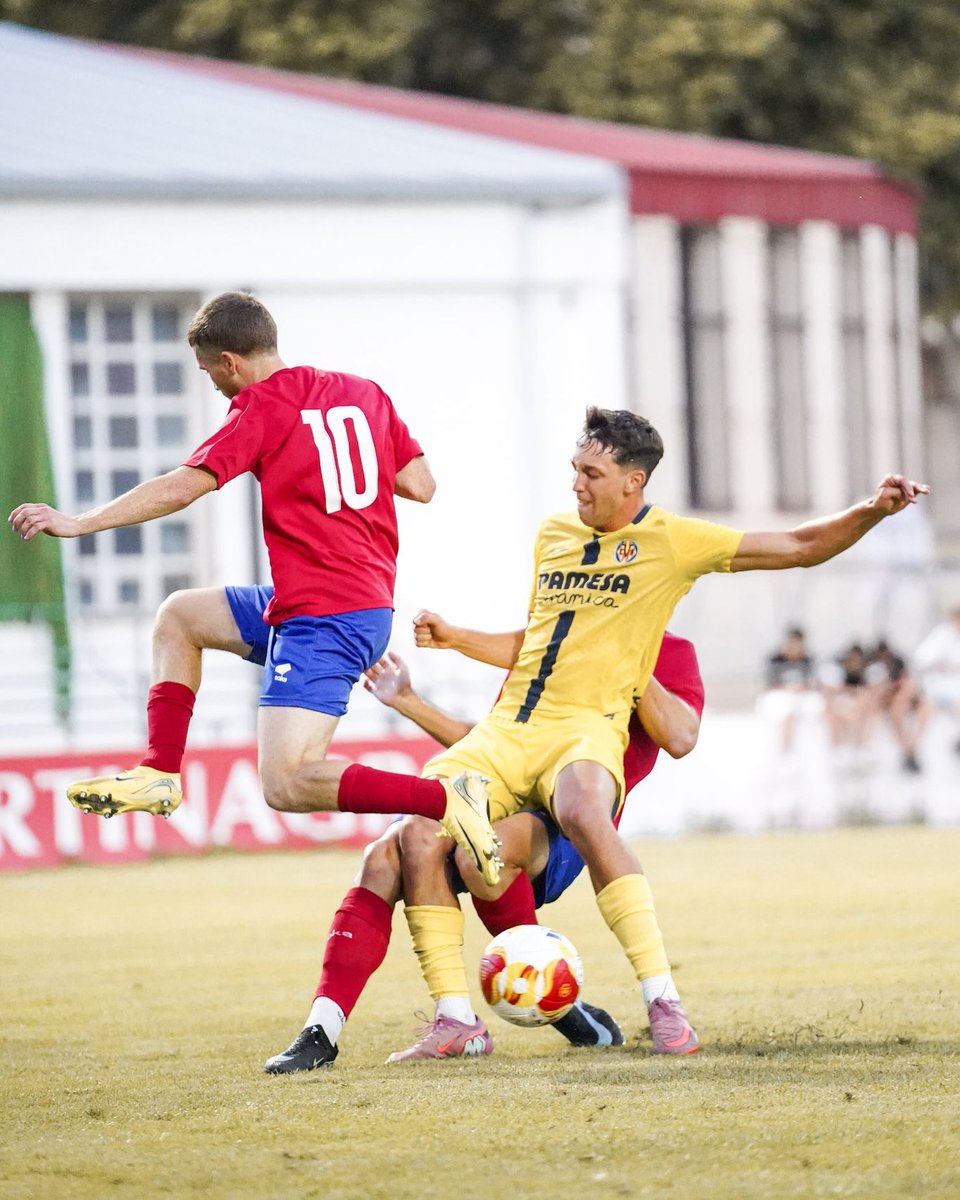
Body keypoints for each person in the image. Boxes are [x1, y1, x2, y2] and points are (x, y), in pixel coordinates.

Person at [283, 405, 922, 1064]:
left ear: (633, 483)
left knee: (582, 807)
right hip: (508, 733)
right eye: (574, 470)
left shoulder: (674, 543)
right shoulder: (554, 534)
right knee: (409, 837)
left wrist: (871, 509)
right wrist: (456, 640)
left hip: (583, 730)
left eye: (591, 473)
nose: (576, 484)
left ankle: (663, 999)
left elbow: (796, 546)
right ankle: (453, 1021)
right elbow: (543, 641)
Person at [7, 292, 499, 880]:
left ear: (230, 362)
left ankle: (448, 798)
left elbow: (184, 486)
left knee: (286, 782)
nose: (213, 383)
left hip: (326, 616)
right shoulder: (364, 393)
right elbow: (421, 485)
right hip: (333, 603)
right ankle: (160, 773)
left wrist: (80, 521)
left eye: (209, 370)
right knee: (180, 617)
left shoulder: (261, 405)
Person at [264, 630, 704, 1073]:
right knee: (388, 853)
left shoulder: (672, 652)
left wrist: (629, 647)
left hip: (566, 819)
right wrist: (409, 700)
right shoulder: (558, 628)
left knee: (478, 853)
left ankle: (571, 996)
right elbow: (499, 739)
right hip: (501, 792)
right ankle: (326, 1030)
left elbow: (681, 737)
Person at [865, 638, 931, 773]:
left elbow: (905, 683)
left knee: (913, 703)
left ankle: (910, 747)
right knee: (896, 709)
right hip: (888, 699)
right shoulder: (872, 665)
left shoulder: (897, 664)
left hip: (900, 697)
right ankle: (907, 748)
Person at [759, 626, 820, 753]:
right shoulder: (775, 659)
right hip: (779, 697)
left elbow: (814, 682)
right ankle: (785, 752)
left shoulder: (808, 660)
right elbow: (769, 683)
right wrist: (787, 687)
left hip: (803, 697)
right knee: (787, 714)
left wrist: (801, 687)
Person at [912, 607, 960, 754]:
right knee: (925, 710)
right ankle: (912, 749)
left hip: (956, 685)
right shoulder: (941, 634)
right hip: (937, 684)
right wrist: (942, 665)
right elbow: (921, 658)